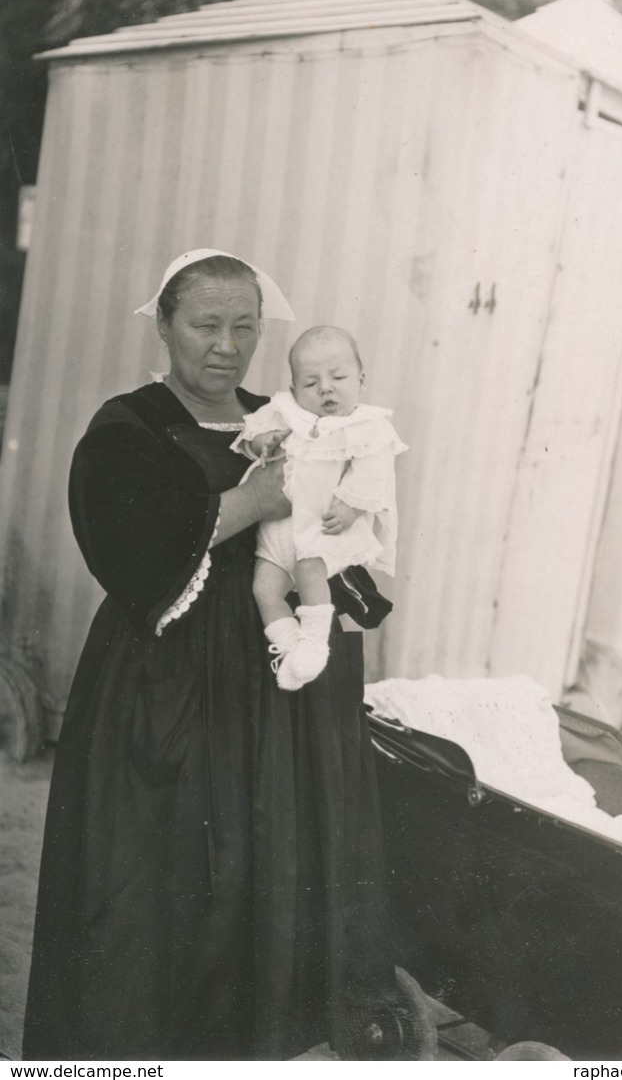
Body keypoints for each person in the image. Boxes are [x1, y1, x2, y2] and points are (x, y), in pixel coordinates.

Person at [22, 250, 397, 1061]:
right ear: (163, 324)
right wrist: (248, 501)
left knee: (259, 876)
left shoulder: (287, 415)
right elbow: (126, 550)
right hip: (168, 685)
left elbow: (329, 524)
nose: (227, 345)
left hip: (269, 690)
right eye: (206, 324)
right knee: (165, 885)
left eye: (245, 326)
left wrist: (347, 534)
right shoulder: (127, 426)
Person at [233, 325, 406, 692]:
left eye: (338, 377)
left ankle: (314, 642)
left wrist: (350, 506)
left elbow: (373, 472)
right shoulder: (285, 412)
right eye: (311, 383)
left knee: (310, 570)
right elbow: (251, 435)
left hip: (324, 527)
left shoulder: (367, 425)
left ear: (360, 379)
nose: (325, 388)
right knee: (265, 587)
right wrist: (261, 442)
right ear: (295, 390)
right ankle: (291, 648)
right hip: (278, 533)